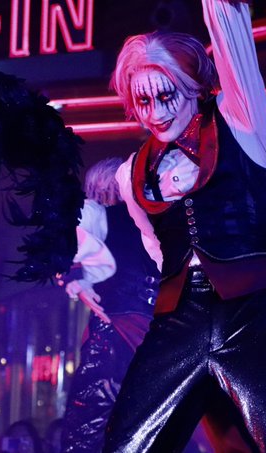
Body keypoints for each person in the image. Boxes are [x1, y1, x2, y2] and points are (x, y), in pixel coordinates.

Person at [103, 0, 266, 451]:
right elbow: (157, 249)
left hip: (255, 312)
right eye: (143, 100)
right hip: (177, 320)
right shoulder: (131, 173)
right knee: (125, 444)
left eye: (166, 96)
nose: (155, 112)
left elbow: (232, 36)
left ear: (193, 87)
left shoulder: (240, 121)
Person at [61, 158, 158, 453]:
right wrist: (78, 279)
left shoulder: (150, 221)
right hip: (121, 325)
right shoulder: (97, 214)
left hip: (148, 326)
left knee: (131, 412)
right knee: (100, 409)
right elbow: (70, 250)